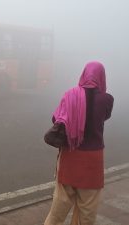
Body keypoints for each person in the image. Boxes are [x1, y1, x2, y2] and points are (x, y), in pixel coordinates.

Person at [44, 61, 114, 225]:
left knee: (57, 210)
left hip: (70, 155)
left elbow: (56, 119)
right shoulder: (107, 99)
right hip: (92, 161)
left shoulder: (70, 95)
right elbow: (105, 117)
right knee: (87, 213)